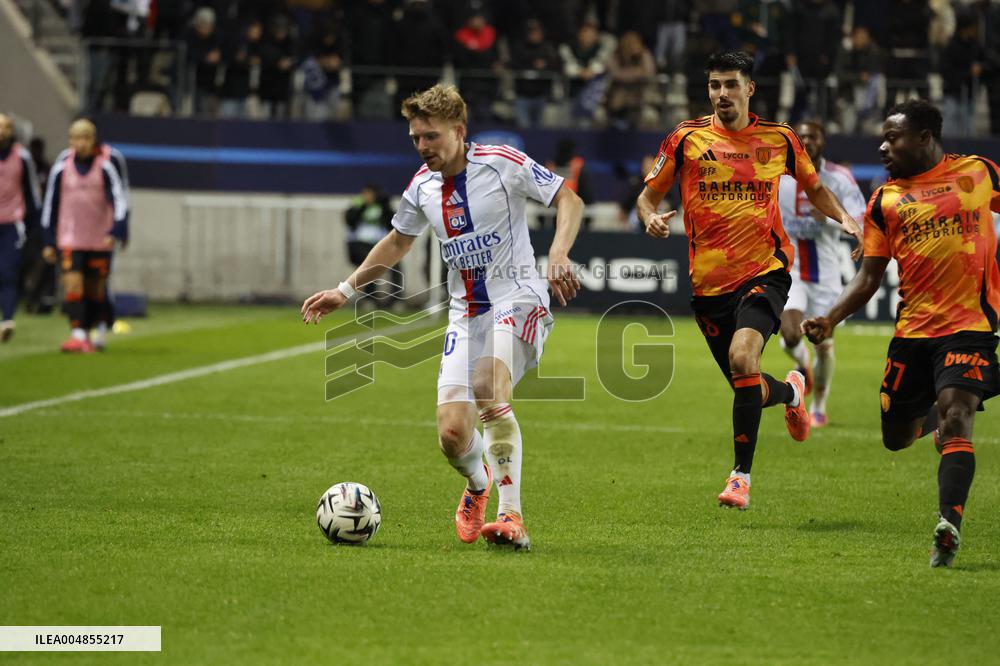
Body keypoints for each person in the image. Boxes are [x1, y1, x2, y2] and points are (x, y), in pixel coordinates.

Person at [302, 84, 583, 550]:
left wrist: (558, 251)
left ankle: (511, 518)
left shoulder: (502, 162)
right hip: (464, 313)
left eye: (430, 136)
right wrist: (346, 289)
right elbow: (397, 242)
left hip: (519, 296)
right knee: (453, 435)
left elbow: (568, 200)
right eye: (415, 138)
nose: (422, 147)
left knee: (488, 386)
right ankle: (479, 484)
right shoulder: (422, 186)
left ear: (459, 130)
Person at [636, 50, 862, 510]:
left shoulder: (779, 139)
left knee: (743, 356)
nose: (722, 94)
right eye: (715, 85)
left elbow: (815, 187)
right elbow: (647, 196)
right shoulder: (686, 139)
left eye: (730, 85)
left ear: (749, 89)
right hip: (708, 285)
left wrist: (845, 220)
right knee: (749, 384)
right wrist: (650, 218)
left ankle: (740, 478)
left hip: (766, 271)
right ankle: (793, 390)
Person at [803, 100, 1000, 567]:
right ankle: (974, 390)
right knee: (896, 436)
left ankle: (948, 525)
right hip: (912, 334)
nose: (883, 146)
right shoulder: (885, 201)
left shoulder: (979, 173)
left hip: (969, 327)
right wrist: (831, 318)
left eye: (893, 137)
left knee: (958, 416)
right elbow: (869, 278)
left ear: (925, 138)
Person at [777, 121, 866, 427]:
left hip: (826, 275)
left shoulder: (839, 178)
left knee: (824, 344)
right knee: (789, 335)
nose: (806, 141)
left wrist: (829, 219)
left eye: (812, 136)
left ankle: (819, 406)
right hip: (793, 271)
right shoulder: (779, 175)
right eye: (800, 137)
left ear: (823, 140)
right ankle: (804, 368)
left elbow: (861, 216)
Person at [41, 119, 128, 353]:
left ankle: (96, 329)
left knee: (96, 288)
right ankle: (78, 334)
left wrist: (118, 230)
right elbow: (51, 203)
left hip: (100, 237)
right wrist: (48, 240)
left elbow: (120, 200)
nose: (80, 143)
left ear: (93, 139)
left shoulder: (106, 165)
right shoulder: (62, 166)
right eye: (75, 138)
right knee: (73, 284)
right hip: (70, 236)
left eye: (85, 138)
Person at [0, 114, 41, 342]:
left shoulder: (21, 156)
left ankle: (7, 320)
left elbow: (32, 192)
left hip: (11, 223)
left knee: (8, 272)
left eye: (5, 127)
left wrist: (36, 225)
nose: (1, 132)